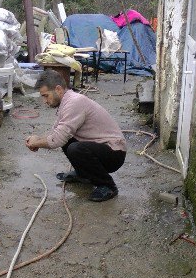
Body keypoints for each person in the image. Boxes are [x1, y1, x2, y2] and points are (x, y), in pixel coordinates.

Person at [25, 70, 126, 202]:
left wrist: (35, 143)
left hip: (114, 153)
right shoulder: (66, 102)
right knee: (68, 140)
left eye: (45, 96)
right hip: (101, 148)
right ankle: (84, 175)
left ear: (58, 89)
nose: (44, 101)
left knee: (75, 148)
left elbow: (57, 140)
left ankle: (108, 186)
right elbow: (56, 131)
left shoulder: (74, 102)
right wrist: (37, 139)